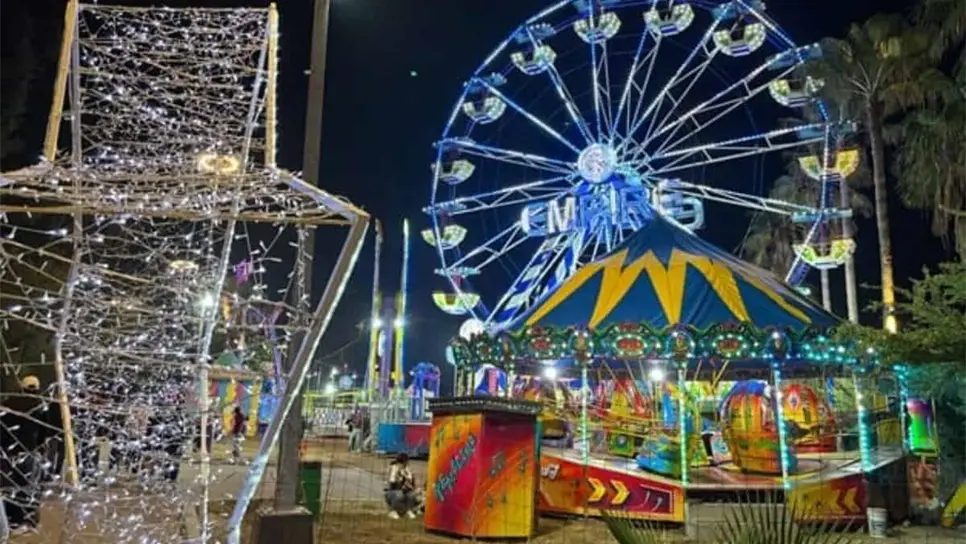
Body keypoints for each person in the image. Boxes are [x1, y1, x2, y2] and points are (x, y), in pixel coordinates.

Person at [0, 376, 47, 534]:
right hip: (29, 451)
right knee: (29, 486)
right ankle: (28, 520)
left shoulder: (7, 404)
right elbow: (44, 431)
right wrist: (40, 447)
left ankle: (12, 520)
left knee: (11, 486)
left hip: (9, 452)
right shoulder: (40, 404)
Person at [385, 453, 418, 519]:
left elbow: (411, 481)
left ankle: (408, 511)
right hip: (391, 492)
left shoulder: (406, 469)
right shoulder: (394, 468)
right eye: (407, 461)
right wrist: (402, 487)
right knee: (400, 494)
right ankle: (392, 511)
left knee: (412, 494)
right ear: (404, 461)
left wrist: (410, 486)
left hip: (403, 490)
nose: (408, 463)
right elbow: (392, 483)